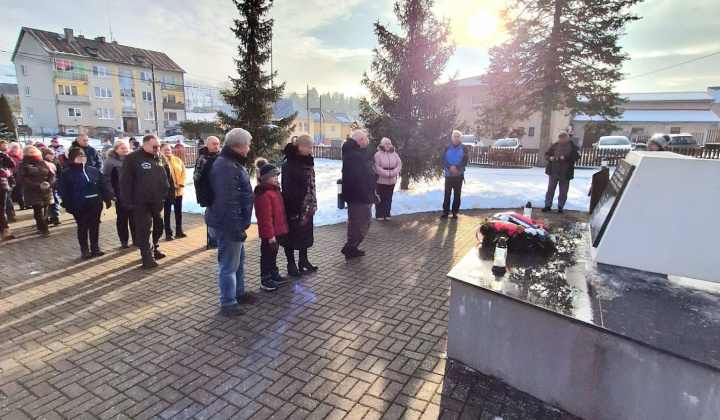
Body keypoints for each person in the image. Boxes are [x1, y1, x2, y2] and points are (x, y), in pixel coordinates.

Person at [205, 128, 253, 314]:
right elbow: (228, 201)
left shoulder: (231, 163)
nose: (249, 148)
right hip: (228, 224)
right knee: (228, 264)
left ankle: (238, 293)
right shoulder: (227, 166)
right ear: (240, 146)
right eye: (248, 144)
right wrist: (235, 228)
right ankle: (227, 302)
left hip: (232, 222)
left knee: (238, 260)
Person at [120, 135, 170, 269]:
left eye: (159, 146)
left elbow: (168, 176)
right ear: (145, 145)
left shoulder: (160, 157)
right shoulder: (133, 159)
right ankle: (146, 257)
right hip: (140, 201)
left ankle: (155, 248)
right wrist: (127, 200)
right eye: (155, 146)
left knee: (159, 225)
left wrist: (168, 194)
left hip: (158, 200)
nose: (157, 149)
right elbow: (125, 181)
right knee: (145, 228)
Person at [57, 147, 112, 259]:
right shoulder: (67, 173)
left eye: (83, 156)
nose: (82, 159)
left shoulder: (93, 170)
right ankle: (84, 249)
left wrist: (107, 199)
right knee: (82, 227)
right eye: (79, 157)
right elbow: (64, 191)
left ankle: (95, 247)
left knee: (94, 226)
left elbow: (102, 186)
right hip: (79, 204)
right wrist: (68, 205)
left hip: (95, 203)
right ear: (73, 159)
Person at [281, 134, 317, 276]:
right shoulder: (289, 163)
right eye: (308, 147)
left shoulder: (306, 161)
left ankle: (304, 260)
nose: (310, 150)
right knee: (290, 236)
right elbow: (288, 186)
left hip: (306, 204)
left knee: (305, 234)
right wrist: (293, 207)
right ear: (300, 146)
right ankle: (291, 264)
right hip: (294, 205)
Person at [340, 129, 377, 260]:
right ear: (360, 141)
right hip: (357, 195)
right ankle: (350, 247)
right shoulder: (353, 155)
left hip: (359, 194)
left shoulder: (356, 153)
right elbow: (360, 177)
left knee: (362, 221)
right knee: (358, 222)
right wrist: (367, 196)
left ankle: (352, 247)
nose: (367, 142)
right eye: (365, 139)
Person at [254, 160, 289, 291]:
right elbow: (265, 218)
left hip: (276, 231)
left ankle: (274, 273)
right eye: (273, 176)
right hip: (270, 233)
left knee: (273, 254)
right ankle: (265, 278)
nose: (276, 178)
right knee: (267, 255)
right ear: (266, 178)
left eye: (276, 175)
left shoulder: (275, 191)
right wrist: (270, 236)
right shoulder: (264, 194)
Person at [103, 139, 136, 248]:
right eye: (122, 148)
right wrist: (112, 193)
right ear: (116, 149)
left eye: (126, 148)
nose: (125, 150)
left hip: (133, 193)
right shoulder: (110, 162)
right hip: (119, 194)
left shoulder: (132, 159)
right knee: (122, 219)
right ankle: (124, 241)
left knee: (134, 218)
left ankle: (136, 239)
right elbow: (106, 179)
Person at [16, 145, 55, 236]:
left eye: (35, 151)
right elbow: (22, 178)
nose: (33, 153)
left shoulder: (44, 163)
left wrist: (49, 183)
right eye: (31, 152)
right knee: (38, 209)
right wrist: (38, 185)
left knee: (45, 208)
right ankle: (44, 229)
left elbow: (52, 174)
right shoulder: (23, 164)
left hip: (46, 190)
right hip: (32, 191)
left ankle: (40, 225)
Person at [542, 131, 580, 214]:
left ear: (567, 138)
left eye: (563, 138)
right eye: (560, 139)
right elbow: (546, 155)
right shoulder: (554, 146)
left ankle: (560, 207)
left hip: (565, 173)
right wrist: (550, 158)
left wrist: (565, 158)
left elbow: (576, 157)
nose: (561, 140)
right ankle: (547, 206)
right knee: (550, 190)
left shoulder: (572, 147)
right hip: (553, 172)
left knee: (563, 192)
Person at [161, 143, 187, 241]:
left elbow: (183, 172)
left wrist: (180, 184)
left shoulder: (177, 160)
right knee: (167, 213)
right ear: (161, 151)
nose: (167, 152)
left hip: (179, 191)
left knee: (178, 212)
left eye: (168, 150)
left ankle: (179, 230)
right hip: (168, 192)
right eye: (165, 150)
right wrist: (172, 186)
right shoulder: (161, 161)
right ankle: (168, 232)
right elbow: (163, 177)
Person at [441, 130, 469, 219]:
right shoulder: (446, 147)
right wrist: (449, 167)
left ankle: (455, 212)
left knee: (457, 194)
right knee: (447, 194)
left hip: (459, 175)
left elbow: (465, 160)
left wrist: (457, 167)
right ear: (452, 137)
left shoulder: (464, 148)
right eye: (455, 136)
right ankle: (445, 212)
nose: (456, 138)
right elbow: (442, 159)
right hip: (448, 174)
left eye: (458, 136)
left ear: (460, 138)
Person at [373, 137, 402, 221]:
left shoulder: (394, 154)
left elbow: (399, 164)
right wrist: (386, 174)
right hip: (381, 180)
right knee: (380, 197)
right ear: (382, 145)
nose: (388, 145)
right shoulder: (377, 154)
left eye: (389, 143)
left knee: (389, 198)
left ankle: (387, 214)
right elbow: (376, 166)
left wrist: (393, 173)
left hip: (392, 180)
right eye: (386, 143)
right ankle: (379, 214)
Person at [41, 148, 62, 226]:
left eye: (52, 154)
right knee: (46, 203)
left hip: (53, 184)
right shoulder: (41, 162)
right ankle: (45, 219)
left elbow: (60, 170)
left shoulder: (55, 160)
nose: (51, 156)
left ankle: (55, 217)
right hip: (45, 185)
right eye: (49, 155)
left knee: (54, 201)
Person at [0, 147, 15, 242]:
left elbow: (11, 164)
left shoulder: (2, 156)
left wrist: (5, 156)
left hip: (2, 185)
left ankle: (5, 231)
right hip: (3, 184)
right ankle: (5, 231)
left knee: (2, 208)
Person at [8, 142, 24, 211]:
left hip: (23, 174)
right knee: (18, 190)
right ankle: (21, 204)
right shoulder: (8, 155)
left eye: (17, 147)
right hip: (14, 175)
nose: (16, 149)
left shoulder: (22, 155)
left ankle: (26, 203)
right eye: (14, 147)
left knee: (24, 190)